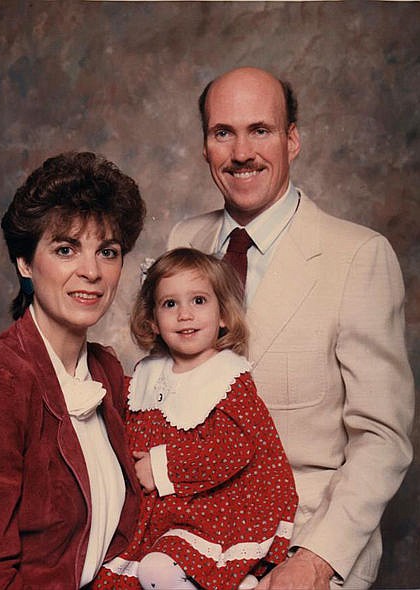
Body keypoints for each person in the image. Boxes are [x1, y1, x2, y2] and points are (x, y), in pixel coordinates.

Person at [167, 67, 414, 589]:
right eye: (222, 133)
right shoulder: (182, 239)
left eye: (261, 130)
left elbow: (382, 437)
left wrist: (316, 559)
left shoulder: (358, 257)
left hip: (304, 539)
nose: (241, 152)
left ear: (293, 139)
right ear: (205, 147)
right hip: (187, 534)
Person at [0, 151, 146, 588]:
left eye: (108, 251)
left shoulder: (107, 372)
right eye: (66, 249)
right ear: (25, 263)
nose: (92, 271)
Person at [91, 248, 298, 590]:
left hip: (212, 511)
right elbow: (126, 428)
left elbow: (233, 449)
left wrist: (161, 467)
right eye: (170, 304)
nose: (185, 314)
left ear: (223, 316)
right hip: (157, 516)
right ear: (153, 321)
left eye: (199, 301)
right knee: (109, 571)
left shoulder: (227, 378)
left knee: (156, 570)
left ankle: (224, 578)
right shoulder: (146, 375)